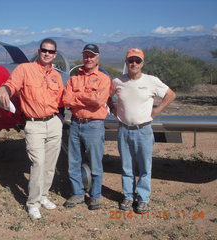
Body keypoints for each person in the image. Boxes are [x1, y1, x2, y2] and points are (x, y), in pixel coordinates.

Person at [0, 38, 64, 219]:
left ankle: (43, 196)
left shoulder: (56, 76)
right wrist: (3, 89)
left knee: (50, 165)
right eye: (44, 50)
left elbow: (63, 99)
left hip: (54, 122)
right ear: (39, 51)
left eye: (50, 51)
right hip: (34, 124)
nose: (47, 53)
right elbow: (11, 84)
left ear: (55, 54)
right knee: (38, 163)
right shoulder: (25, 69)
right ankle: (32, 203)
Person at [110, 48, 176, 213]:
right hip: (124, 130)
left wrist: (156, 111)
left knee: (145, 167)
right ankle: (128, 196)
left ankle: (143, 198)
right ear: (126, 63)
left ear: (142, 63)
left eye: (137, 61)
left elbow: (170, 95)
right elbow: (106, 95)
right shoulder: (117, 81)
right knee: (126, 166)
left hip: (144, 130)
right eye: (130, 60)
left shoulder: (151, 81)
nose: (134, 63)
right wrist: (113, 108)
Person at [62, 44, 111, 210]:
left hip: (94, 126)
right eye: (86, 56)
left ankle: (96, 196)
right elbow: (66, 100)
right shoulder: (74, 78)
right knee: (73, 162)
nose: (88, 59)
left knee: (95, 162)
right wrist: (87, 97)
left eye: (92, 56)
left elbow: (99, 101)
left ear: (98, 58)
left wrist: (78, 96)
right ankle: (77, 193)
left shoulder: (104, 79)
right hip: (76, 123)